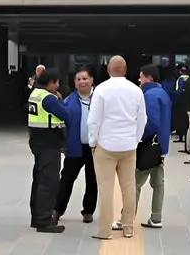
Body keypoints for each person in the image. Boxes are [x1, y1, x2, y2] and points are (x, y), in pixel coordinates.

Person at [88, 56, 146, 240]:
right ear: (126, 70)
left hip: (105, 144)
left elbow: (94, 120)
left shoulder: (101, 90)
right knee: (128, 187)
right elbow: (142, 119)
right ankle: (128, 226)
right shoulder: (136, 91)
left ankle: (105, 230)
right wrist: (135, 140)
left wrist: (92, 142)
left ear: (108, 70)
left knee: (105, 189)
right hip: (128, 145)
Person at [27, 70, 72, 233]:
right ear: (51, 82)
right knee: (49, 182)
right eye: (57, 83)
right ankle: (44, 221)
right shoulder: (48, 98)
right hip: (49, 143)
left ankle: (36, 217)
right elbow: (66, 114)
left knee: (39, 180)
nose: (58, 86)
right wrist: (60, 100)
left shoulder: (35, 94)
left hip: (37, 141)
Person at [55, 65, 98, 223]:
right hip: (75, 147)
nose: (82, 82)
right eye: (79, 79)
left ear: (92, 80)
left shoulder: (100, 99)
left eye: (85, 78)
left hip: (95, 148)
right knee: (66, 179)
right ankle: (57, 209)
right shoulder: (68, 102)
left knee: (92, 180)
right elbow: (62, 125)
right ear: (74, 82)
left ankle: (88, 211)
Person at [134, 65, 171, 229]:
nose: (139, 80)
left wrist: (138, 138)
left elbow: (150, 123)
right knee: (158, 183)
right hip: (161, 146)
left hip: (149, 145)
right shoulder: (163, 93)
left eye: (141, 77)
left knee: (135, 183)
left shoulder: (149, 95)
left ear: (148, 77)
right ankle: (156, 217)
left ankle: (126, 217)